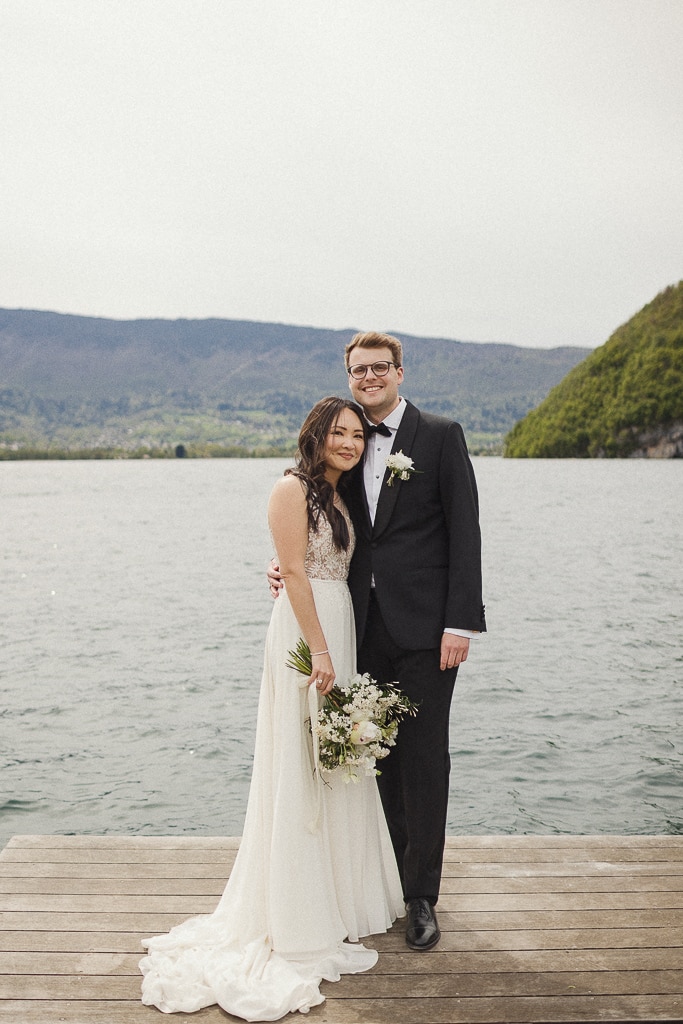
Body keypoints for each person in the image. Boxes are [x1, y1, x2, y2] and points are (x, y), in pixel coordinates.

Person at [140, 396, 404, 1020]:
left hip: (339, 623)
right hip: (306, 634)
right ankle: (293, 906)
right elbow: (293, 567)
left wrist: (330, 639)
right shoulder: (291, 489)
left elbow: (318, 564)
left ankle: (337, 897)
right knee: (299, 759)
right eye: (338, 433)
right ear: (315, 435)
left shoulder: (343, 497)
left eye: (357, 436)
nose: (349, 443)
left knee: (332, 760)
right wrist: (317, 650)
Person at [269, 332, 486, 952]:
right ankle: (383, 880)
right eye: (358, 369)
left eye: (379, 368)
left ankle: (421, 897)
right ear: (349, 373)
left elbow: (466, 532)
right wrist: (281, 567)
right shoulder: (345, 442)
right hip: (357, 627)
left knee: (423, 758)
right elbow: (316, 528)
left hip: (427, 632)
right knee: (371, 757)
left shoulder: (441, 436)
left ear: (399, 371)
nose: (369, 377)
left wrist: (459, 623)